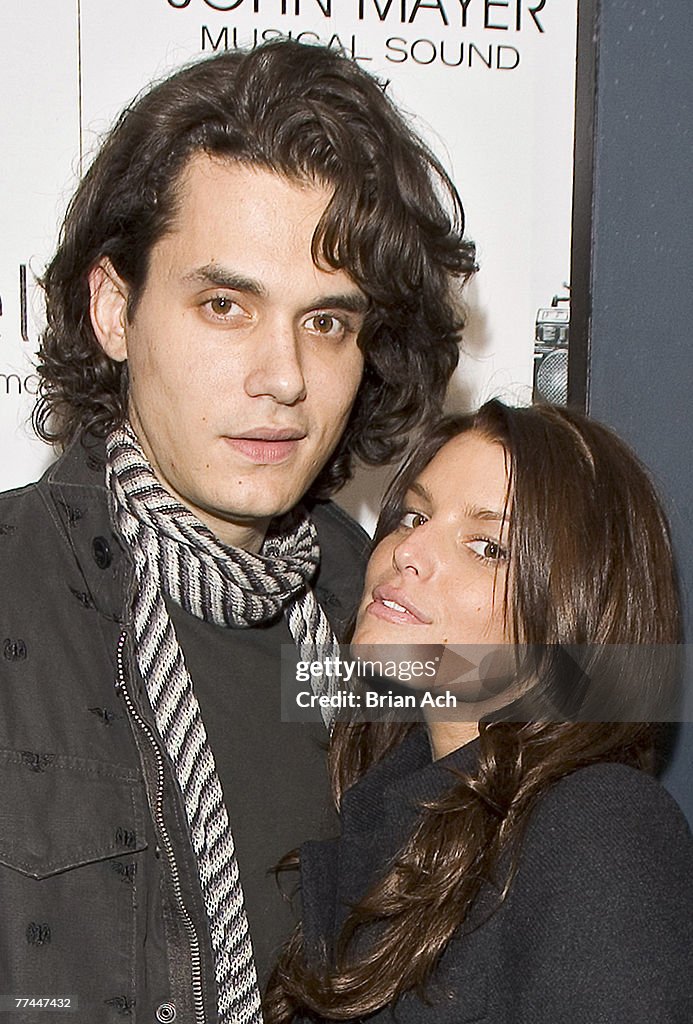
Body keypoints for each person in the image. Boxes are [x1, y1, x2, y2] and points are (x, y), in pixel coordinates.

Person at [0, 40, 476, 1023]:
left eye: (329, 323)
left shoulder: (393, 623)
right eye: (226, 305)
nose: (284, 378)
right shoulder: (15, 599)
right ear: (114, 309)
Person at [267, 400, 693, 1024]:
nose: (408, 550)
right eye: (414, 514)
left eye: (487, 546)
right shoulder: (373, 810)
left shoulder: (598, 823)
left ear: (575, 610)